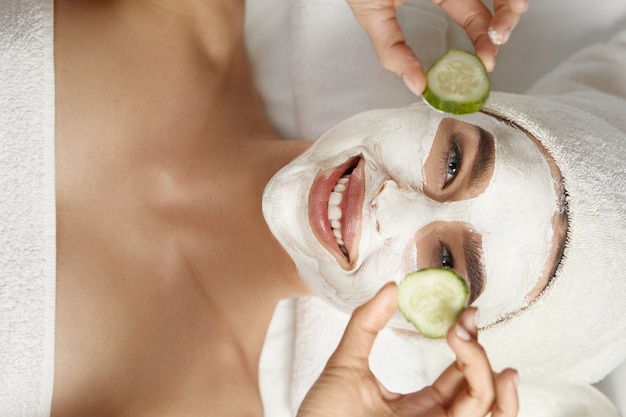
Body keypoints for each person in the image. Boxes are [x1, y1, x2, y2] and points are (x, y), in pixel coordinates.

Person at [1, 0, 623, 416]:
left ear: (426, 336)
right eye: (454, 163)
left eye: (444, 261)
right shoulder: (187, 15)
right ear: (445, 101)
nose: (390, 210)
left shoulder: (192, 400)